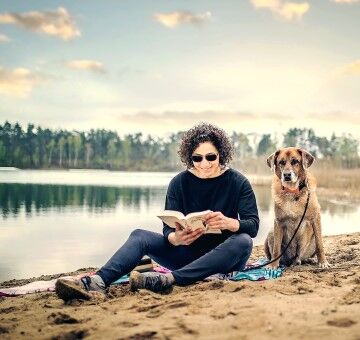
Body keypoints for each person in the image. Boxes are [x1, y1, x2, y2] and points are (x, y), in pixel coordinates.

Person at [55, 122, 259, 300]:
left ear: (221, 155)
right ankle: (98, 281)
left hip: (224, 259)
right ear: (190, 158)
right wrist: (175, 239)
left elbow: (253, 225)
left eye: (210, 157)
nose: (204, 164)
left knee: (243, 240)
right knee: (139, 236)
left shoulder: (238, 182)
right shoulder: (178, 183)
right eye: (197, 158)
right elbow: (167, 229)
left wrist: (231, 223)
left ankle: (169, 279)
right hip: (186, 255)